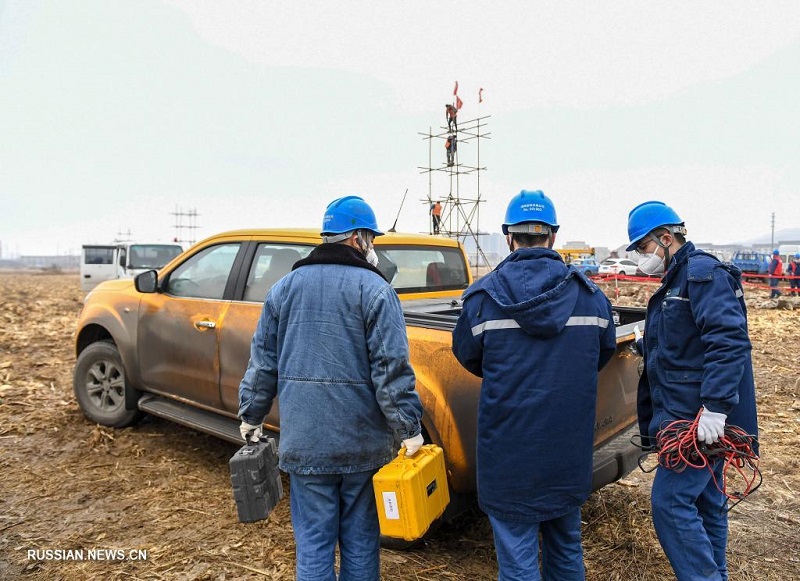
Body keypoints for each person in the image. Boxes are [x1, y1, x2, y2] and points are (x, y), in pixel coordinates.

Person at [238, 195, 424, 581]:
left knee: (314, 544)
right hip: (362, 446)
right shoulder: (376, 291)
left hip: (305, 443)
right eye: (372, 238)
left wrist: (251, 415)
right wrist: (409, 429)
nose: (374, 247)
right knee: (359, 543)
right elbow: (391, 371)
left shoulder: (283, 289)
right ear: (358, 238)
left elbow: (263, 363)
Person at [452, 189, 617, 580]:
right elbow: (602, 353)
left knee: (518, 562)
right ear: (553, 236)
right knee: (566, 550)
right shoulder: (591, 299)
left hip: (508, 460)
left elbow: (469, 357)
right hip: (566, 455)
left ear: (509, 236)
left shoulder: (482, 300)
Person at [626, 201, 759, 581]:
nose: (641, 258)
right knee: (707, 502)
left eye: (643, 248)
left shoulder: (702, 275)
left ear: (666, 238)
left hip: (697, 419)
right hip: (692, 418)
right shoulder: (678, 278)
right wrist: (646, 344)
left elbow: (729, 341)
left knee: (669, 503)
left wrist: (716, 408)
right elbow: (688, 340)